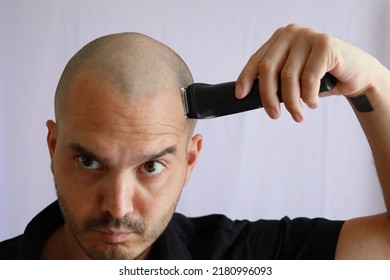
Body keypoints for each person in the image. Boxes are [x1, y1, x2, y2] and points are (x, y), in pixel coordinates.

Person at [1, 24, 390, 260]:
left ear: (190, 160)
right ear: (53, 148)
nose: (117, 206)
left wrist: (374, 82)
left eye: (151, 167)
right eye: (90, 162)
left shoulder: (236, 259)